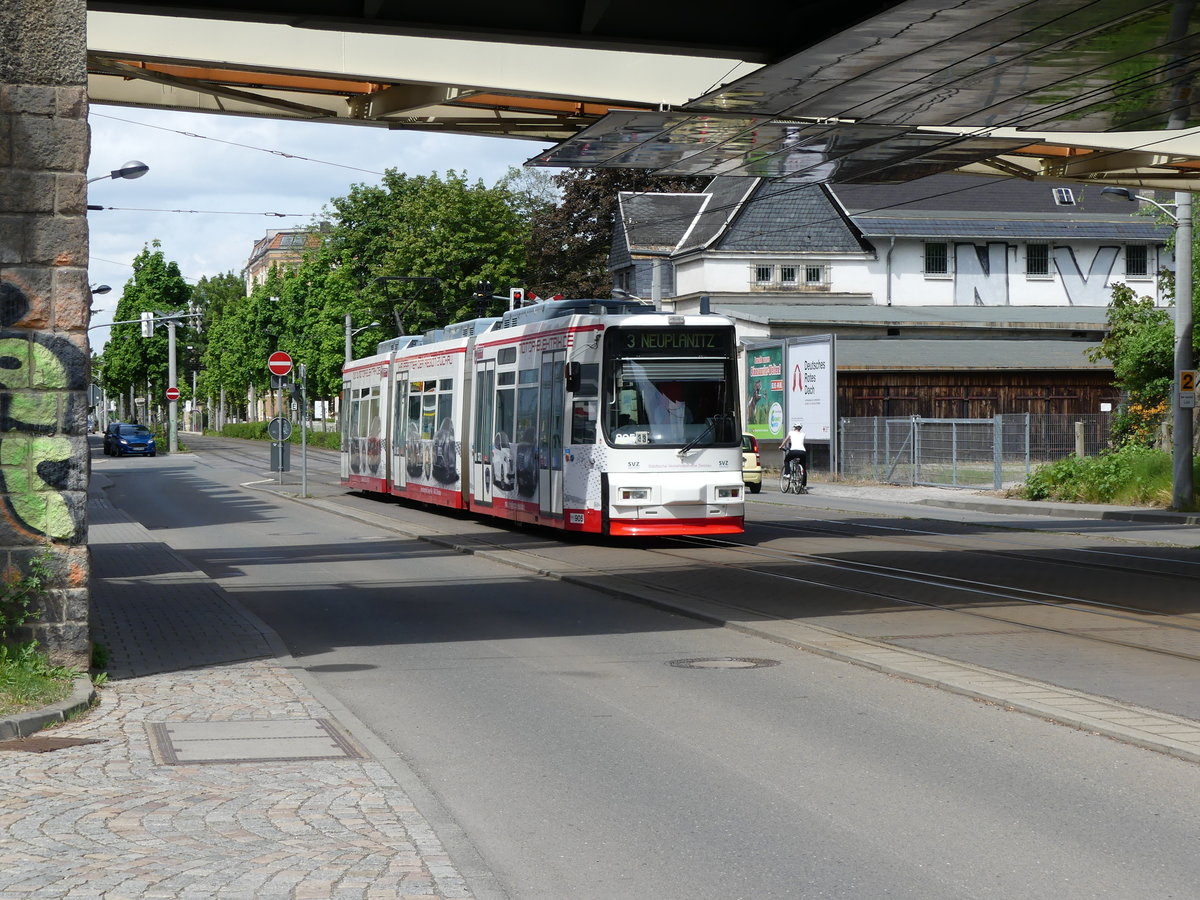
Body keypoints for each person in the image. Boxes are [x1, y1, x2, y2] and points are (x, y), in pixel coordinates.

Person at [779, 423, 807, 490]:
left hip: (793, 451)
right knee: (803, 467)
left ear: (794, 427)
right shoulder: (803, 434)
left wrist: (781, 446)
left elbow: (785, 441)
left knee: (786, 460)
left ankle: (787, 473)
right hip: (802, 452)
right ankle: (803, 485)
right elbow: (801, 443)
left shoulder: (791, 432)